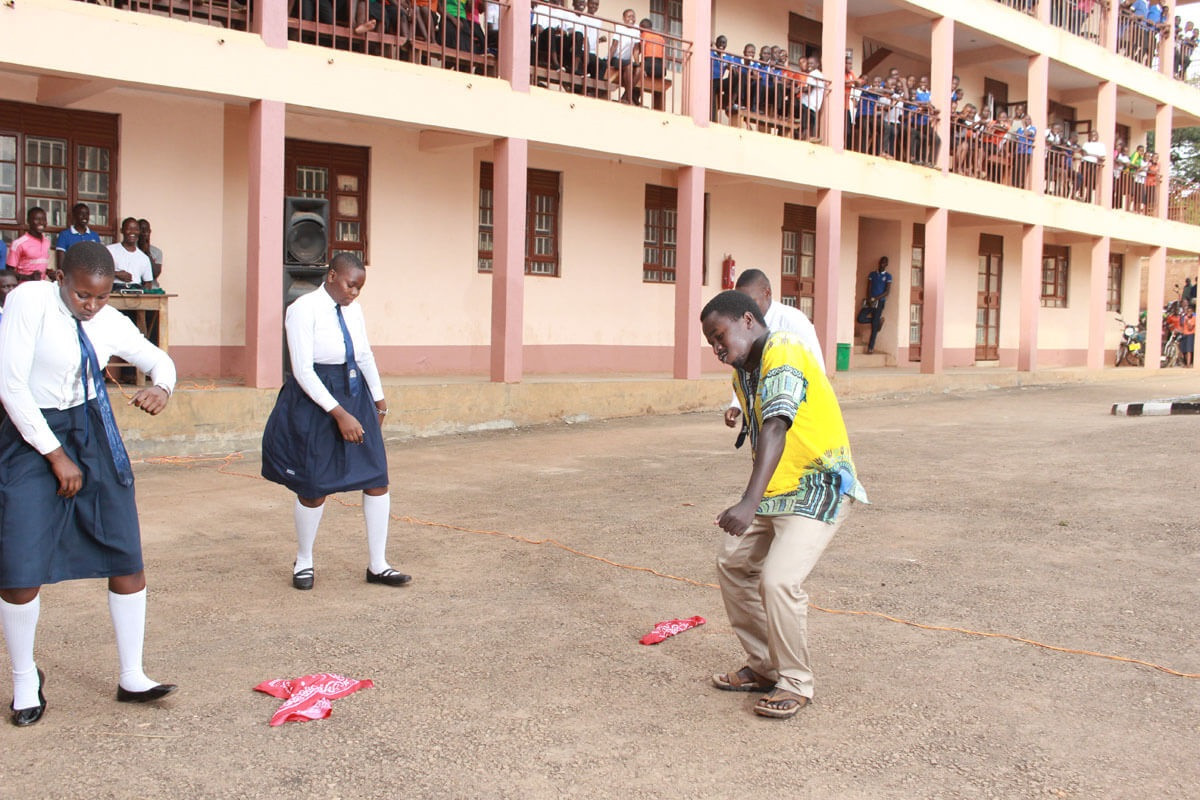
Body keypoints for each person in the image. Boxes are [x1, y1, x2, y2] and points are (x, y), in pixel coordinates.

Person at [0, 241, 178, 728]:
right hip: (31, 431)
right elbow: (10, 385)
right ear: (60, 279)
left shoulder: (108, 319)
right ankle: (23, 680)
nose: (92, 307)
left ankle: (132, 675)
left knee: (125, 553)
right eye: (83, 296)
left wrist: (162, 387)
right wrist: (55, 456)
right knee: (19, 566)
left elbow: (161, 361)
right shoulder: (28, 302)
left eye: (101, 298)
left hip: (94, 431)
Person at [701, 290, 867, 720]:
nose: (718, 350)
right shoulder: (745, 371)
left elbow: (775, 425)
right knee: (733, 564)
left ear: (749, 321)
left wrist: (747, 501)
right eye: (712, 343)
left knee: (778, 580)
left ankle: (795, 682)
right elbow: (763, 440)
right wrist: (756, 499)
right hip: (779, 491)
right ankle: (765, 666)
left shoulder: (784, 350)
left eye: (720, 337)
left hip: (819, 484)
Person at [261, 253, 411, 591]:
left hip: (354, 389)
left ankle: (378, 565)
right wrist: (339, 414)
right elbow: (301, 371)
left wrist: (378, 399)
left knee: (376, 479)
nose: (355, 293)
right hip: (316, 399)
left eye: (359, 288)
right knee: (314, 487)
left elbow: (364, 354)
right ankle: (304, 560)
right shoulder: (302, 309)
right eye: (350, 285)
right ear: (331, 276)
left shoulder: (352, 309)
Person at [723, 268, 826, 429]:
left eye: (751, 302)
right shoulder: (746, 325)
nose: (746, 309)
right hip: (763, 409)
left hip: (797, 410)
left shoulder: (793, 321)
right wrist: (737, 404)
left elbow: (817, 367)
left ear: (767, 293)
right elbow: (746, 371)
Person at [106, 218, 154, 291]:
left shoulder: (144, 258)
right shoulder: (110, 250)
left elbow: (148, 283)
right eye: (129, 229)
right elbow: (97, 272)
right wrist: (116, 274)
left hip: (136, 292)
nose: (133, 232)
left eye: (136, 229)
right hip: (113, 291)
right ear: (121, 230)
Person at [6, 207, 51, 283]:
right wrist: (28, 277)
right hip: (24, 288)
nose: (41, 222)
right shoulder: (19, 243)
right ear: (28, 221)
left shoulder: (47, 242)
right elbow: (9, 272)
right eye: (37, 219)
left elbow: (38, 266)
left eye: (44, 219)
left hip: (41, 287)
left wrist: (49, 272)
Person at [55, 204, 103, 274]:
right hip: (72, 275)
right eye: (81, 214)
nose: (85, 216)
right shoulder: (64, 235)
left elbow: (98, 258)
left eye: (87, 214)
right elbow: (61, 262)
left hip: (91, 275)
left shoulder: (94, 235)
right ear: (74, 216)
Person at [865, 256, 892, 354]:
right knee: (860, 318)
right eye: (881, 262)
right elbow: (868, 287)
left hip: (880, 301)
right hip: (870, 301)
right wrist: (869, 299)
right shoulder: (872, 274)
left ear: (887, 264)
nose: (882, 264)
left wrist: (876, 298)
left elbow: (887, 292)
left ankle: (870, 347)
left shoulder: (888, 276)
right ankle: (878, 322)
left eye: (884, 263)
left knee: (874, 326)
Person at [137, 218, 163, 284]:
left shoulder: (157, 252)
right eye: (141, 230)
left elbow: (155, 274)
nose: (145, 233)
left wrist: (147, 252)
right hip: (135, 287)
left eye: (147, 230)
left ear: (150, 231)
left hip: (152, 288)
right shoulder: (131, 249)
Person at [1180, 299, 1196, 368]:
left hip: (1190, 334)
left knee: (1189, 350)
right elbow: (1182, 325)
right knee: (1183, 350)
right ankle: (1185, 362)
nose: (1188, 313)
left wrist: (1187, 321)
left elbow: (1190, 327)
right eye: (1187, 311)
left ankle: (1188, 364)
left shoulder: (1193, 318)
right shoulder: (1184, 317)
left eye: (1190, 311)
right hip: (1184, 334)